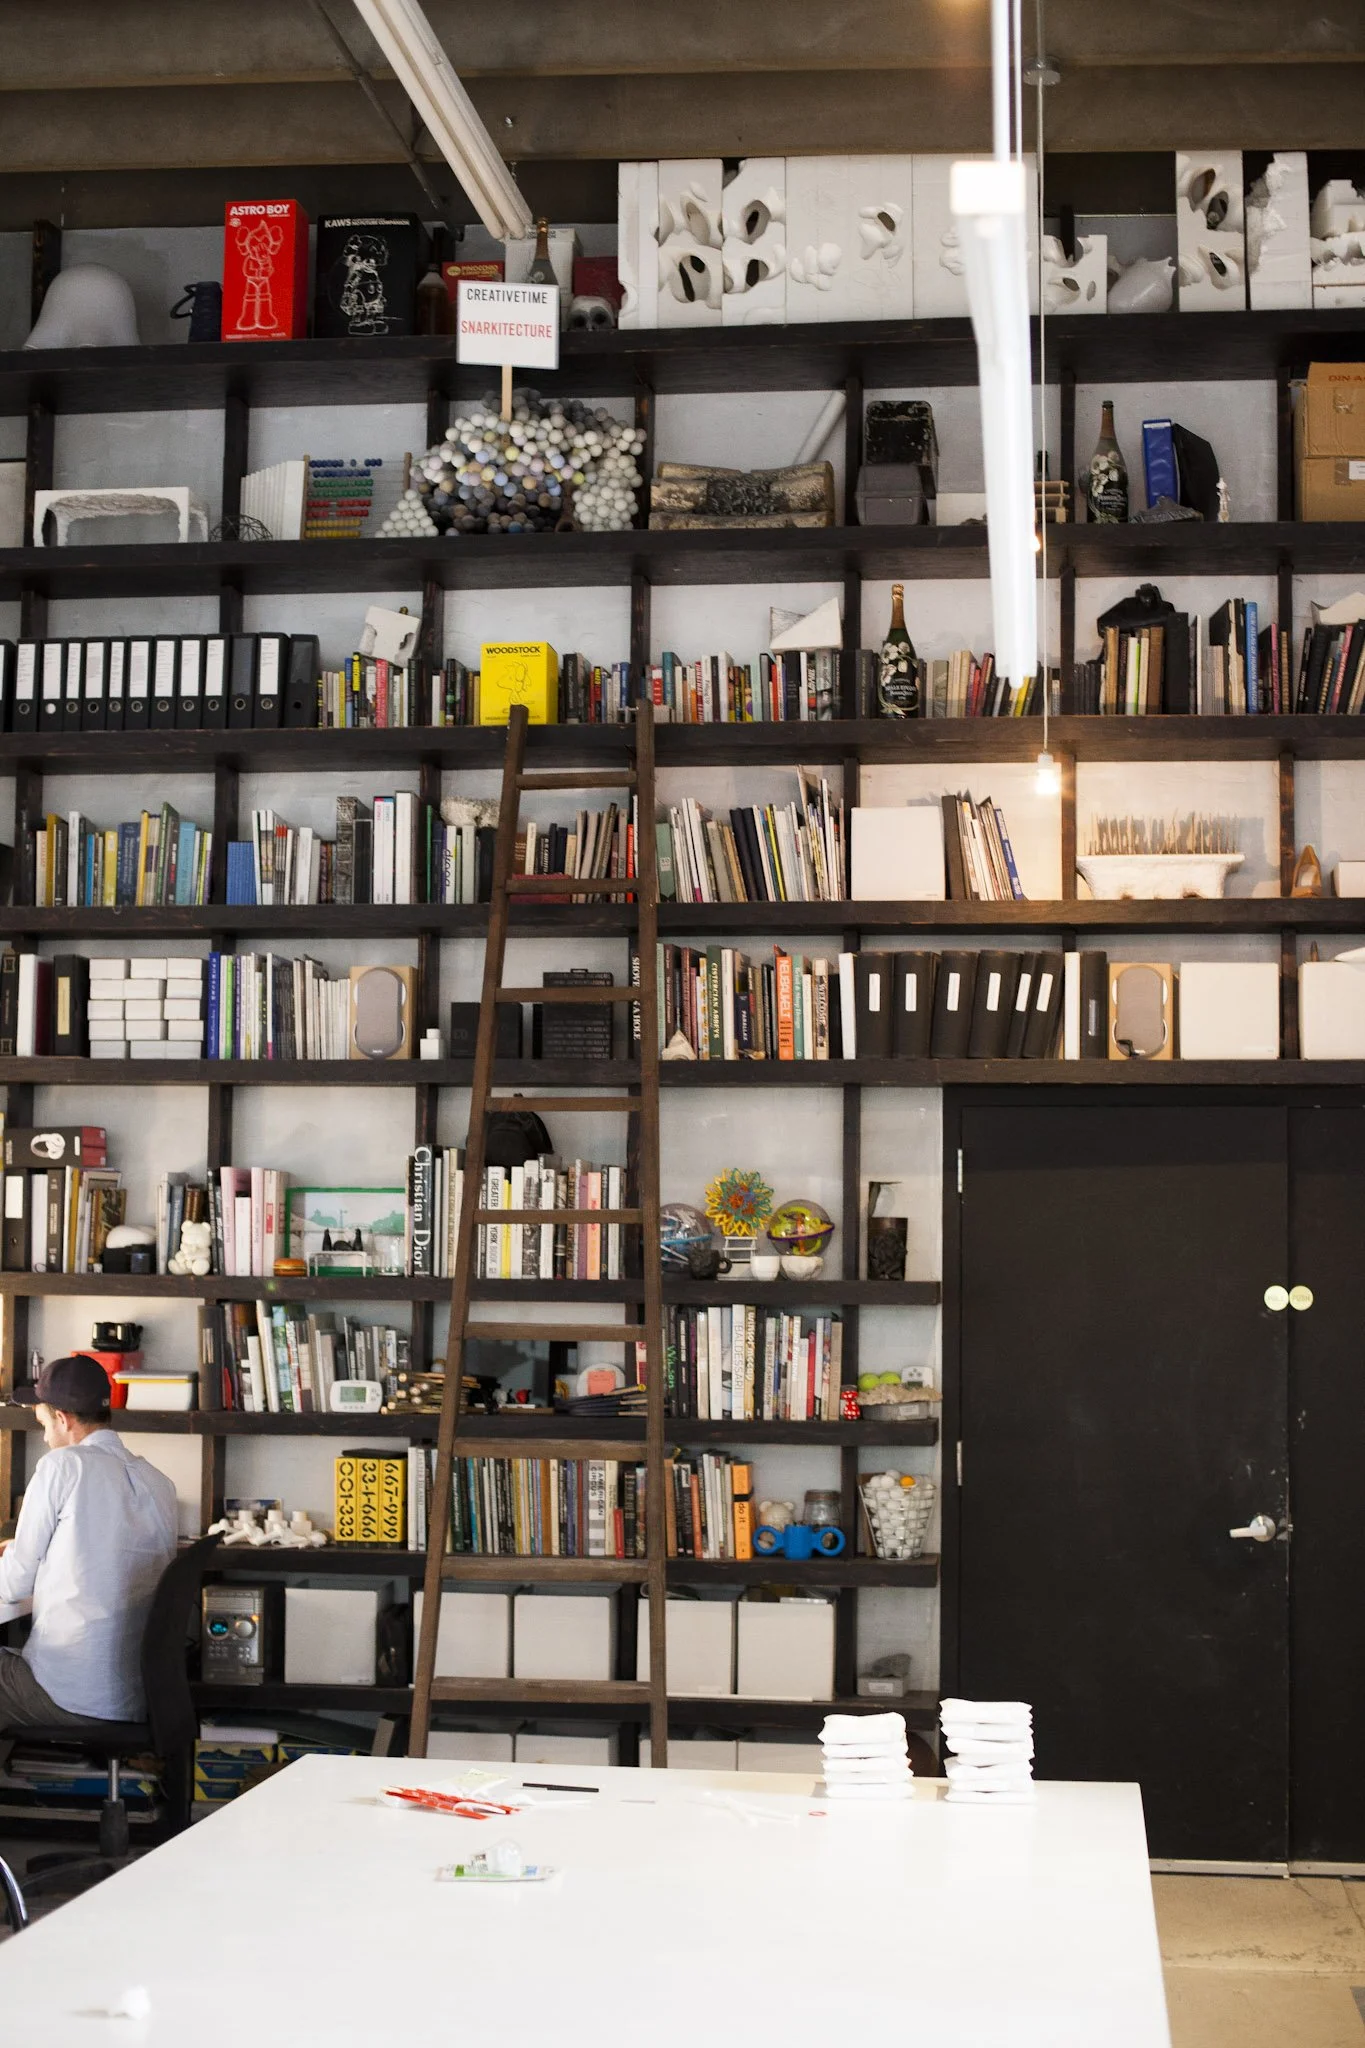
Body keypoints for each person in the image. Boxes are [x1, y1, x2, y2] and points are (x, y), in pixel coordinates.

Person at [0, 1356, 178, 1728]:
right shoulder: (159, 1481)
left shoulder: (62, 1466)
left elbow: (12, 1584)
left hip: (68, 1695)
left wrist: (15, 1556)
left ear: (62, 1419)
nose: (46, 1437)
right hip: (134, 1698)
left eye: (44, 1424)